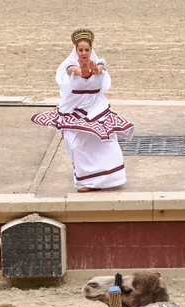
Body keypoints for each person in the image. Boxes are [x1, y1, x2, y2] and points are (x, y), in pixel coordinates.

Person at [31, 29, 134, 192]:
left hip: (95, 106)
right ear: (75, 49)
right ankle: (86, 177)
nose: (84, 53)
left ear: (91, 49)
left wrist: (97, 69)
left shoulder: (99, 62)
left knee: (104, 141)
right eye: (81, 50)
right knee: (76, 144)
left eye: (87, 50)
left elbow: (101, 68)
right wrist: (80, 71)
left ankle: (106, 178)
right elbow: (72, 70)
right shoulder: (70, 64)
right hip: (74, 107)